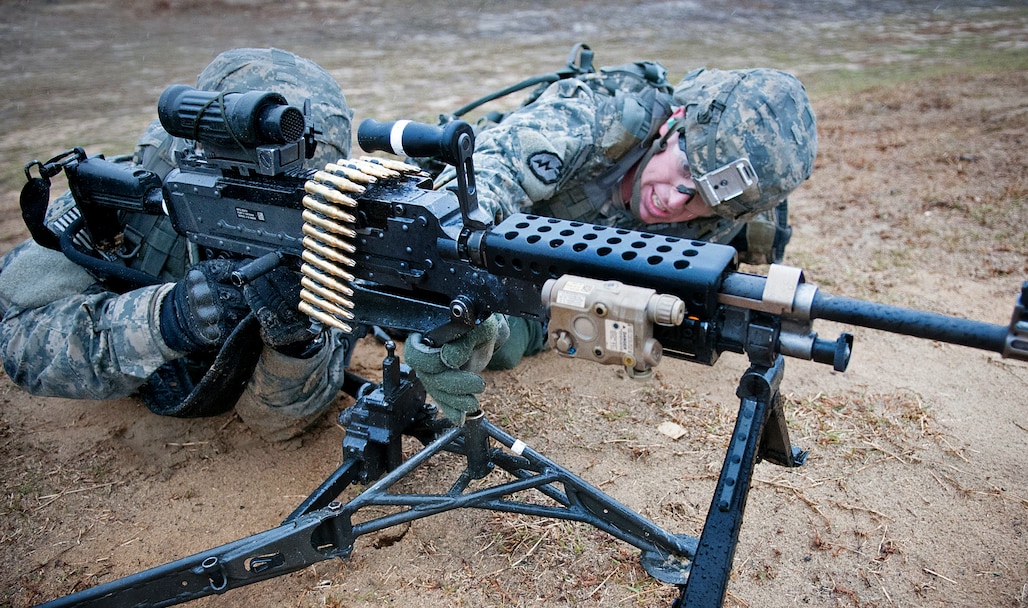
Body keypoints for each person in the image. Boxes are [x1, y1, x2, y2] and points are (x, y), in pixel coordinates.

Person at [407, 60, 818, 421]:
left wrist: (492, 325)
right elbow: (486, 182)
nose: (675, 200)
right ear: (674, 123)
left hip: (552, 292)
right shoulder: (594, 120)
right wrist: (454, 294)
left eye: (704, 201)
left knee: (507, 344)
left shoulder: (725, 224)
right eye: (686, 170)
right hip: (481, 238)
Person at [0, 48, 354, 441]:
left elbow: (274, 420)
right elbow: (21, 346)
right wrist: (168, 318)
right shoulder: (130, 195)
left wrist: (296, 346)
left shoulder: (323, 237)